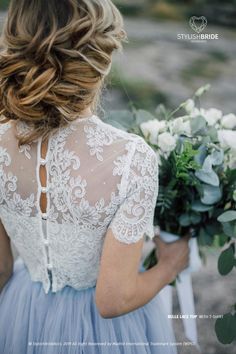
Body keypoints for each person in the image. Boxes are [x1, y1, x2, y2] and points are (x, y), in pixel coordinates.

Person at [0, 1, 190, 353]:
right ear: (101, 61)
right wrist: (169, 266)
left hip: (22, 313)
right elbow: (113, 300)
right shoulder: (132, 159)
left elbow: (0, 269)